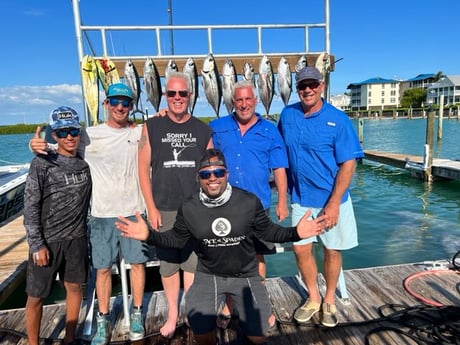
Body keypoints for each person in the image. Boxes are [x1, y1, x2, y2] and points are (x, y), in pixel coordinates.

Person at [116, 148, 326, 345]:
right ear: (198, 178)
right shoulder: (189, 207)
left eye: (218, 172)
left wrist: (296, 233)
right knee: (201, 333)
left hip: (245, 274)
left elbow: (269, 232)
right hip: (209, 274)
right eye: (206, 174)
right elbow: (176, 240)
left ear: (226, 174)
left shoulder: (247, 201)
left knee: (258, 337)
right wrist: (149, 236)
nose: (213, 178)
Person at [29, 83, 149, 345]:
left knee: (137, 265)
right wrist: (36, 144)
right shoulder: (87, 134)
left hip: (134, 212)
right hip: (101, 215)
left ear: (132, 106)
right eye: (115, 101)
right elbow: (61, 146)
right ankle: (103, 319)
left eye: (126, 102)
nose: (120, 107)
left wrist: (162, 117)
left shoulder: (142, 131)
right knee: (103, 269)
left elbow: (167, 132)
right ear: (106, 104)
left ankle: (137, 314)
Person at [277, 66, 364, 327]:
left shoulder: (338, 119)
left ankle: (329, 300)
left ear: (322, 86)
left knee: (332, 250)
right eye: (302, 85)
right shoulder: (287, 114)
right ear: (297, 88)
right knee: (301, 248)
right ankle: (313, 297)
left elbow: (349, 164)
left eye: (312, 84)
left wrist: (335, 203)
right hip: (301, 199)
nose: (307, 90)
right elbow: (277, 150)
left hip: (331, 200)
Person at [138, 71, 213, 338]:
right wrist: (151, 207)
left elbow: (211, 170)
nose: (177, 98)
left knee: (192, 264)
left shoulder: (203, 129)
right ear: (165, 96)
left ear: (190, 96)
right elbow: (142, 167)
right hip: (164, 208)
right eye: (172, 93)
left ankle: (191, 310)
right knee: (169, 266)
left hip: (195, 209)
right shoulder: (151, 126)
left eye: (182, 93)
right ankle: (172, 313)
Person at [209, 80, 288, 326]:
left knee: (256, 258)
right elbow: (202, 153)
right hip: (225, 205)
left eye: (248, 99)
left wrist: (282, 201)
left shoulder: (270, 130)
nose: (243, 104)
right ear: (232, 102)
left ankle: (259, 306)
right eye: (238, 100)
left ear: (256, 100)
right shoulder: (217, 126)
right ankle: (230, 306)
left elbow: (279, 168)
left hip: (258, 207)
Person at [24, 106, 92, 345]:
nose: (69, 136)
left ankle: (70, 339)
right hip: (47, 242)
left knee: (74, 288)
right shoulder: (41, 164)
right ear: (54, 135)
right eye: (62, 132)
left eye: (74, 130)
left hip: (77, 239)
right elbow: (30, 206)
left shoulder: (84, 164)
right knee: (35, 297)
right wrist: (36, 244)